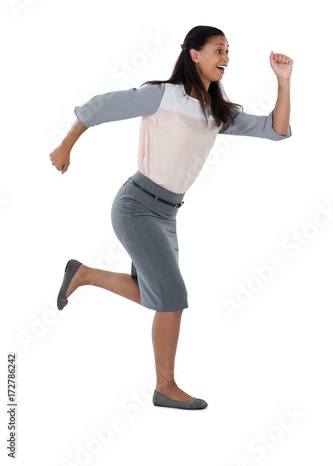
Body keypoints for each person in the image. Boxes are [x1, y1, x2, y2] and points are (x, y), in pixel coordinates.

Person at [49, 25, 293, 410]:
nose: (226, 58)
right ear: (194, 55)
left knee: (155, 294)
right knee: (172, 297)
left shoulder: (218, 112)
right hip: (136, 206)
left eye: (228, 51)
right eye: (218, 50)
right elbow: (99, 106)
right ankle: (165, 386)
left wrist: (283, 82)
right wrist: (65, 146)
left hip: (166, 214)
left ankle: (85, 274)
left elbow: (276, 131)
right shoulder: (162, 95)